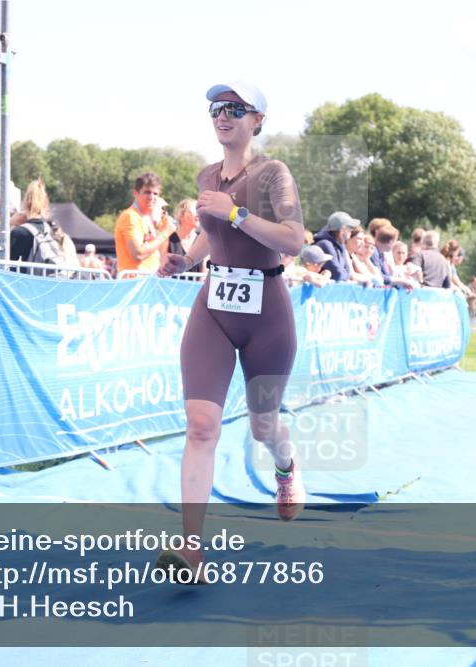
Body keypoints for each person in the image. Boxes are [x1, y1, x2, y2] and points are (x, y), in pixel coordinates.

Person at [155, 80, 306, 579]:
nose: (224, 115)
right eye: (218, 108)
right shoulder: (206, 175)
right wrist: (185, 261)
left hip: (268, 312)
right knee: (201, 425)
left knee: (264, 426)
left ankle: (285, 466)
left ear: (257, 121)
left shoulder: (272, 175)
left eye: (236, 109)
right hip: (214, 308)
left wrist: (237, 213)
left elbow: (294, 240)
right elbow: (207, 235)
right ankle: (191, 548)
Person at [114, 172, 175, 276]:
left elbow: (160, 254)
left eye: (155, 194)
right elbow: (138, 254)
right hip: (134, 282)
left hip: (149, 281)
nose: (152, 197)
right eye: (147, 192)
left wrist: (163, 230)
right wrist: (165, 233)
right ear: (135, 193)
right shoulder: (130, 216)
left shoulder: (147, 218)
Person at [312, 211, 360, 282]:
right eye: (350, 228)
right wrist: (347, 275)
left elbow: (348, 272)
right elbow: (338, 274)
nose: (351, 231)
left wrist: (347, 275)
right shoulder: (325, 244)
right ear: (342, 229)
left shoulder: (341, 246)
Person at [167, 198, 205, 274]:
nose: (198, 215)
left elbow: (204, 272)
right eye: (194, 211)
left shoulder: (202, 240)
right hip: (171, 285)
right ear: (181, 215)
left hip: (196, 285)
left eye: (199, 211)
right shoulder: (168, 240)